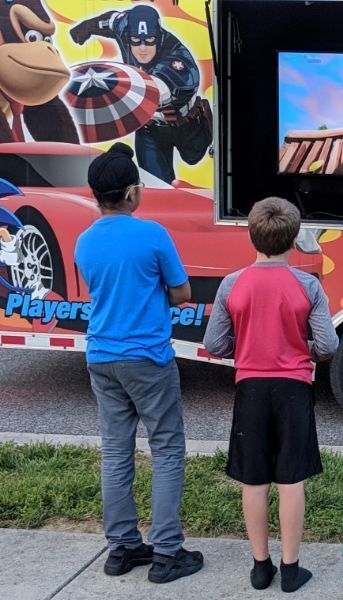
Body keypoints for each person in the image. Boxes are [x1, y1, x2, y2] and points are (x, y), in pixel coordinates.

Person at [74, 142, 203, 583]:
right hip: (147, 357)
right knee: (166, 448)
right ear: (132, 193)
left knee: (115, 449)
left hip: (101, 358)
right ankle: (167, 552)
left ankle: (122, 547)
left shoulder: (85, 241)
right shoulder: (152, 234)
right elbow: (182, 293)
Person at [203, 196, 339, 592]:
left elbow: (215, 344)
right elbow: (328, 346)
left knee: (254, 481)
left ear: (251, 236)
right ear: (295, 238)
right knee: (291, 481)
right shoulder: (307, 285)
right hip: (294, 389)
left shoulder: (232, 283)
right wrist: (304, 351)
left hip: (250, 389)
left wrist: (243, 347)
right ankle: (291, 569)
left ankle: (260, 568)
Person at [70, 5, 212, 183]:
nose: (142, 48)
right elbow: (110, 20)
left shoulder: (178, 59)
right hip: (150, 127)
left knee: (194, 158)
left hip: (185, 124)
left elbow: (153, 92)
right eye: (136, 40)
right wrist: (87, 27)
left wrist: (100, 85)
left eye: (149, 40)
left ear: (158, 37)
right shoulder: (124, 26)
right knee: (155, 184)